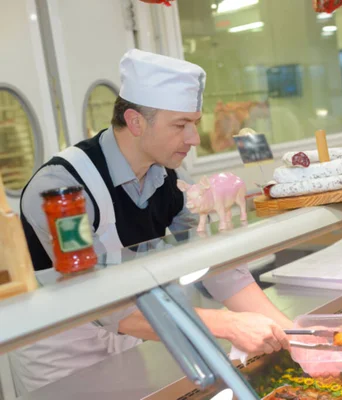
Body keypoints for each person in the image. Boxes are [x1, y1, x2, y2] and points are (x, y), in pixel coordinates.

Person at [13, 49, 293, 394]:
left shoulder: (169, 178)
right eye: (181, 125)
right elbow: (103, 305)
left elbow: (218, 268)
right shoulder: (60, 189)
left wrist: (292, 335)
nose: (193, 138)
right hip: (62, 358)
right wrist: (228, 324)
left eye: (195, 123)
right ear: (135, 122)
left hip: (134, 338)